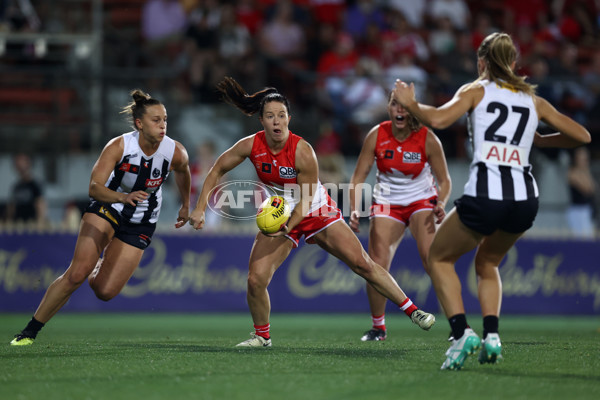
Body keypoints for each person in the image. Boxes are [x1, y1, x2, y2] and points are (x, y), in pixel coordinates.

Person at [393, 32, 591, 370]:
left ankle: (460, 334)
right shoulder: (533, 100)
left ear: (482, 62)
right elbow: (582, 136)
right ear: (514, 63)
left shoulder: (476, 90)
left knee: (439, 258)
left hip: (487, 193)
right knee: (488, 264)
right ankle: (493, 336)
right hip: (525, 200)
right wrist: (540, 142)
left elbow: (439, 119)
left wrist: (411, 104)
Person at [189, 77, 436, 347]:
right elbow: (217, 169)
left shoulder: (302, 151)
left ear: (289, 119)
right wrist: (200, 208)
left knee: (362, 264)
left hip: (316, 210)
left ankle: (414, 311)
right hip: (281, 213)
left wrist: (289, 225)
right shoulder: (251, 145)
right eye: (270, 116)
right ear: (262, 121)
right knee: (255, 279)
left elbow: (306, 200)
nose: (276, 121)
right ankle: (262, 337)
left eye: (281, 115)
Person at [10, 89, 191, 346]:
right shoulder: (120, 146)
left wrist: (186, 204)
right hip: (108, 206)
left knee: (105, 291)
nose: (163, 125)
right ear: (139, 124)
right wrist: (121, 198)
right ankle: (29, 331)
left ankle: (98, 264)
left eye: (165, 120)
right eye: (156, 120)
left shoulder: (175, 152)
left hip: (141, 219)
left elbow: (183, 172)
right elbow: (94, 188)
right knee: (76, 273)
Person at [348, 92, 451, 342]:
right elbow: (358, 177)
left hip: (421, 199)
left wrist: (441, 202)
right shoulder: (377, 135)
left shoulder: (427, 138)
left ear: (412, 109)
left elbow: (445, 180)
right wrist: (353, 208)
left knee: (431, 259)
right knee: (376, 264)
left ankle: (457, 324)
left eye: (405, 105)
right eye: (395, 104)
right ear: (389, 108)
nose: (399, 110)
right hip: (386, 202)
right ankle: (378, 328)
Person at [6, 152, 47, 227]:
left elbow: (40, 205)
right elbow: (12, 207)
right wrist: (9, 222)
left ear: (28, 164)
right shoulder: (16, 187)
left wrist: (40, 224)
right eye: (17, 163)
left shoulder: (35, 185)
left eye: (21, 162)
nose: (19, 165)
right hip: (18, 226)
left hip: (31, 226)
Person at [566, 147, 596, 238]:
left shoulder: (586, 172)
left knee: (589, 237)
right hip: (576, 210)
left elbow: (593, 188)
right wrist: (584, 171)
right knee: (579, 238)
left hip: (586, 209)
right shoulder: (572, 172)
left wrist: (586, 171)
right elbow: (586, 189)